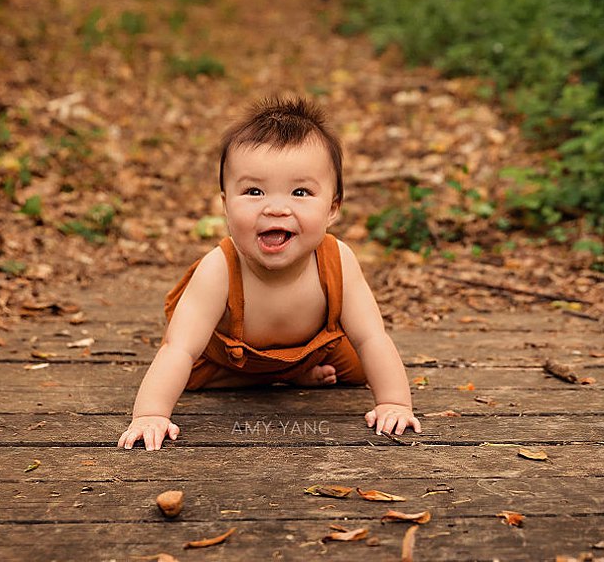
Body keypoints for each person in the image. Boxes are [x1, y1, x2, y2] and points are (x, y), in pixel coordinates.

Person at [117, 94, 422, 450]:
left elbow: (372, 337)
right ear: (226, 205)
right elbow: (179, 349)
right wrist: (151, 414)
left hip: (314, 349)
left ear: (332, 208)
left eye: (300, 192)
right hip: (229, 361)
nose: (276, 208)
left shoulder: (337, 260)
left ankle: (292, 371)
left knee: (356, 369)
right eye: (254, 191)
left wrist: (394, 403)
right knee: (188, 376)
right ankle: (282, 376)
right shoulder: (219, 268)